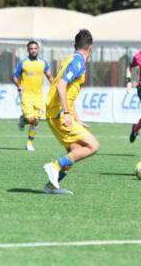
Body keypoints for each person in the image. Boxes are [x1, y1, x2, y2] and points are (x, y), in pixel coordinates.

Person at [43, 29, 100, 194]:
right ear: (90, 48)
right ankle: (55, 166)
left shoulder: (70, 59)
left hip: (56, 112)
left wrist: (77, 118)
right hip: (59, 113)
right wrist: (67, 114)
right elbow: (61, 85)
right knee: (93, 146)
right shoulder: (79, 63)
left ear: (75, 45)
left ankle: (51, 185)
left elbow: (68, 93)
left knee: (75, 150)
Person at [12, 40, 54, 151]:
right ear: (28, 50)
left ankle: (29, 143)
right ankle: (25, 121)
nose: (33, 50)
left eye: (35, 48)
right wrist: (18, 85)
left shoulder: (43, 63)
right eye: (31, 49)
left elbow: (50, 76)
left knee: (36, 121)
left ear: (38, 49)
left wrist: (55, 86)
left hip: (39, 97)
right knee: (31, 119)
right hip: (26, 95)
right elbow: (14, 76)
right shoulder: (23, 63)